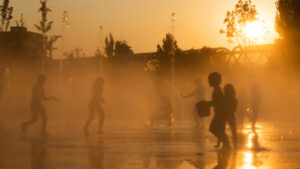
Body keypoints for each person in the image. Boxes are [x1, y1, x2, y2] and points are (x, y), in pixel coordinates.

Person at [208, 72, 230, 150]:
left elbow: (217, 102)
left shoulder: (217, 90)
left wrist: (208, 103)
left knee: (213, 128)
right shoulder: (217, 89)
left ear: (214, 80)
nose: (208, 82)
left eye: (210, 80)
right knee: (219, 129)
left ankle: (226, 143)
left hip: (220, 114)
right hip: (220, 113)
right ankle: (225, 144)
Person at [223, 84, 238, 148]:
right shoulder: (225, 98)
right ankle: (223, 143)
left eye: (227, 90)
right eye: (226, 90)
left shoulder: (234, 98)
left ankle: (235, 144)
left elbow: (233, 109)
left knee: (233, 131)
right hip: (226, 115)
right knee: (222, 129)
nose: (226, 91)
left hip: (230, 115)